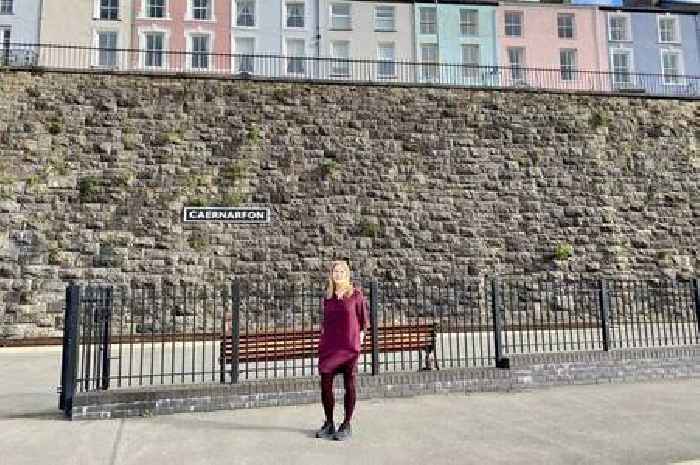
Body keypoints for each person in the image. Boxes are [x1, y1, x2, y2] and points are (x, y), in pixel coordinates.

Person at [315, 260, 369, 441]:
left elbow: (363, 322)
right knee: (325, 385)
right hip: (330, 347)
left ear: (347, 274)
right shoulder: (328, 297)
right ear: (331, 274)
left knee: (350, 385)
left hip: (349, 348)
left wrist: (358, 344)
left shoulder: (356, 295)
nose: (338, 274)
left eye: (341, 271)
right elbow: (326, 323)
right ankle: (329, 423)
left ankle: (346, 424)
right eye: (335, 271)